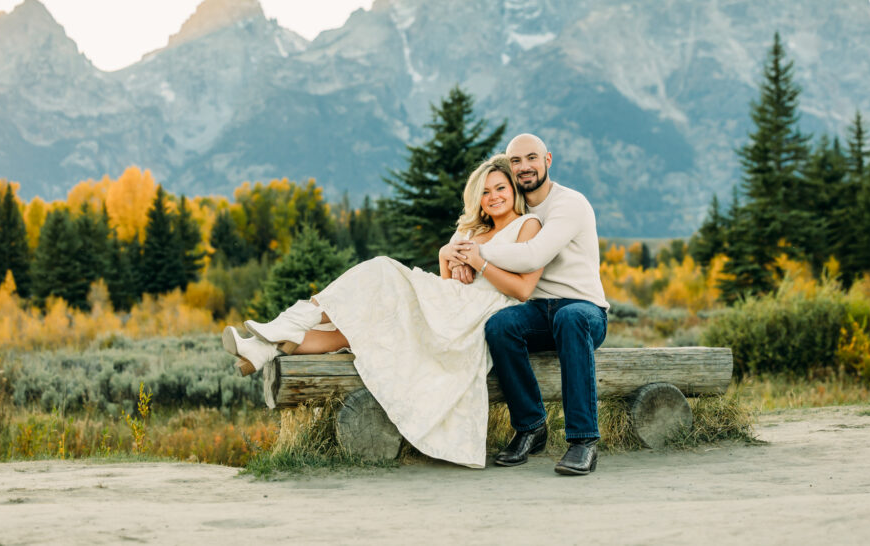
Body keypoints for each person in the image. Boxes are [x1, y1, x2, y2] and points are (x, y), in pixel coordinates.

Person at [220, 154, 543, 468]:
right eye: (485, 192)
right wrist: (446, 255)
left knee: (380, 269)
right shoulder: (470, 229)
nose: (493, 197)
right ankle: (266, 346)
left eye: (500, 188)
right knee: (360, 324)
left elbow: (521, 290)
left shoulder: (526, 225)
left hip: (479, 313)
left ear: (514, 190)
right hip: (449, 302)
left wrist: (477, 261)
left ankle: (274, 334)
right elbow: (450, 283)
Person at [447, 134, 609, 476]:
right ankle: (531, 425)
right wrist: (456, 253)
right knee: (500, 326)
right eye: (516, 161)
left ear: (547, 160)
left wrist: (473, 255)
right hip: (538, 312)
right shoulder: (517, 207)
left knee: (570, 318)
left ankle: (583, 441)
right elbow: (479, 235)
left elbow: (533, 255)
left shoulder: (569, 204)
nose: (524, 167)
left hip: (584, 309)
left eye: (531, 158)